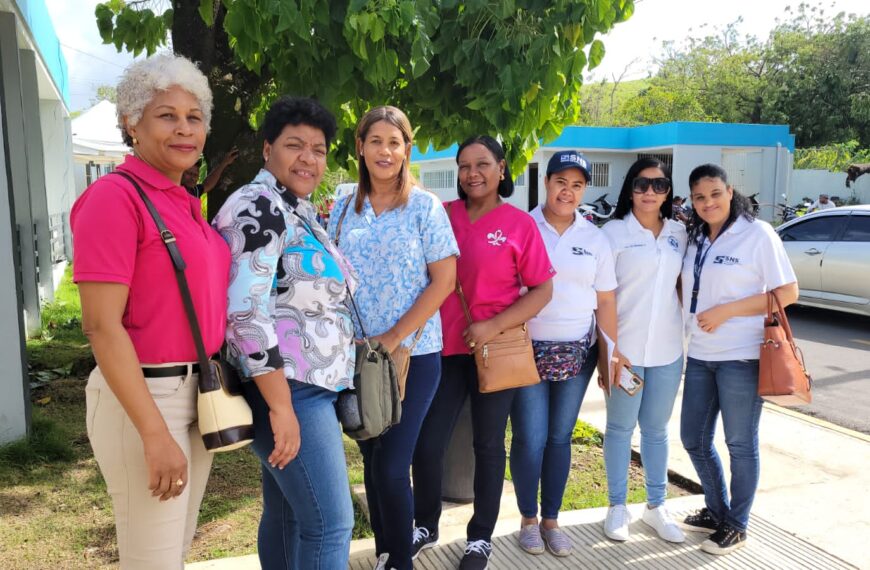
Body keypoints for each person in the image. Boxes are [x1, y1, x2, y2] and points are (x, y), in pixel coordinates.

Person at [71, 54, 230, 569]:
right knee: (152, 561)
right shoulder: (115, 198)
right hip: (145, 398)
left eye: (194, 116)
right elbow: (100, 324)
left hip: (197, 394)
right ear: (131, 124)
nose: (184, 129)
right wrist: (153, 432)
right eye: (166, 115)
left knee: (172, 554)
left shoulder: (182, 200)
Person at [213, 97, 357, 569]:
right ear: (268, 149)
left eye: (318, 149)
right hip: (291, 389)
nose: (308, 158)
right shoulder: (259, 206)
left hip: (302, 386)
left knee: (290, 515)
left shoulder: (295, 208)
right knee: (330, 525)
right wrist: (280, 406)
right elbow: (244, 314)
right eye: (295, 145)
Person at [412, 135, 555, 570]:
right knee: (427, 440)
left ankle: (480, 538)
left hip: (496, 350)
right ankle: (425, 523)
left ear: (501, 168)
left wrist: (493, 324)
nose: (472, 173)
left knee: (489, 445)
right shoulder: (442, 215)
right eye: (464, 165)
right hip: (443, 350)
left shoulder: (518, 224)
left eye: (482, 164)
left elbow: (543, 289)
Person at [327, 106, 458, 570]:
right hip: (357, 359)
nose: (385, 151)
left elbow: (443, 281)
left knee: (390, 462)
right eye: (375, 140)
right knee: (371, 454)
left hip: (412, 355)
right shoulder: (342, 206)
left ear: (407, 149)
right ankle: (386, 552)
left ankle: (399, 559)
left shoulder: (425, 207)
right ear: (360, 146)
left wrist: (396, 337)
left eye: (394, 142)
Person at [679, 164, 798, 555]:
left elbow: (787, 292)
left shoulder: (756, 233)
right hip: (699, 353)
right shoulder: (696, 236)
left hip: (742, 357)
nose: (707, 202)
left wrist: (727, 311)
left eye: (714, 193)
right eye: (699, 197)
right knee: (693, 439)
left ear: (730, 192)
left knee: (740, 443)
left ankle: (737, 524)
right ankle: (716, 510)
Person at [509, 151, 619, 558]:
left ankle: (552, 519)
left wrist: (611, 356)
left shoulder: (595, 238)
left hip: (577, 355)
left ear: (584, 189)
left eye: (576, 185)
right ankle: (527, 520)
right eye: (560, 182)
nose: (567, 192)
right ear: (546, 183)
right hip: (525, 352)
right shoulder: (523, 227)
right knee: (530, 436)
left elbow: (605, 302)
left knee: (559, 437)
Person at [600, 158, 688, 544]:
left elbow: (684, 288)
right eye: (641, 184)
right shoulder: (613, 233)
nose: (649, 192)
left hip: (668, 352)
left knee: (656, 430)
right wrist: (610, 350)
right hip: (626, 354)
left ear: (668, 191)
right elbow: (602, 296)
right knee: (620, 429)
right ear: (629, 189)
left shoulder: (680, 234)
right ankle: (617, 505)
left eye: (658, 185)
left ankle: (656, 506)